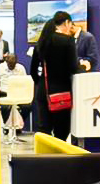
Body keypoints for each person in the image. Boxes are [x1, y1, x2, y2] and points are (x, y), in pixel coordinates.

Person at [30, 11, 80, 141]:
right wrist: (84, 66)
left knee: (44, 131)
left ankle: (45, 160)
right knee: (61, 132)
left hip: (43, 92)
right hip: (61, 93)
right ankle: (59, 160)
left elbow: (33, 71)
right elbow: (73, 68)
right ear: (67, 23)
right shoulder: (68, 41)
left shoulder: (41, 43)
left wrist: (40, 83)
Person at [0, 53, 29, 130]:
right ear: (6, 61)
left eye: (14, 64)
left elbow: (25, 82)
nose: (12, 66)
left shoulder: (21, 68)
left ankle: (18, 126)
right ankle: (7, 127)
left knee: (27, 107)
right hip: (4, 93)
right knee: (5, 108)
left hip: (18, 94)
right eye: (10, 64)